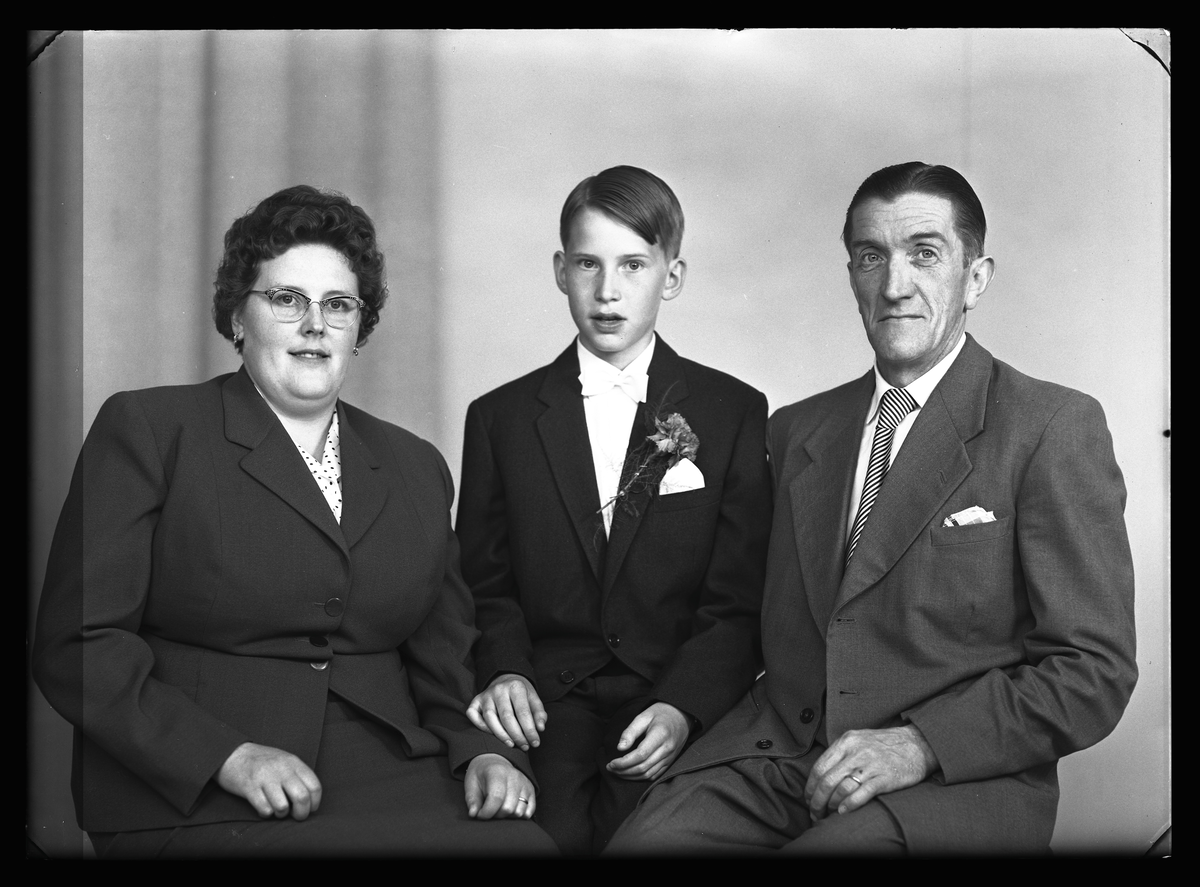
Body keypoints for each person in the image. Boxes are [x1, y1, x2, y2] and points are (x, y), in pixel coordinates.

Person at [607, 161, 1138, 855]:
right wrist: (681, 702)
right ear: (853, 276)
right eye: (870, 256)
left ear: (976, 278)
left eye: (925, 254)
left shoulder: (1049, 426)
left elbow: (1093, 669)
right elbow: (739, 614)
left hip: (950, 780)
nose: (894, 285)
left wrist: (919, 744)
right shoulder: (795, 430)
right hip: (782, 756)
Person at [32, 185, 557, 858]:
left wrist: (483, 751)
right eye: (287, 299)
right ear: (237, 317)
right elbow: (77, 642)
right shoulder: (151, 430)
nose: (315, 325)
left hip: (391, 768)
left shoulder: (415, 464)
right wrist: (227, 756)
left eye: (338, 305)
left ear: (359, 328)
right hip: (198, 784)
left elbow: (443, 652)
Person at [455, 165, 772, 854]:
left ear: (672, 276)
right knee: (539, 840)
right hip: (548, 701)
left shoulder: (734, 412)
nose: (607, 290)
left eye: (633, 264)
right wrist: (506, 670)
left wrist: (683, 706)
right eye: (587, 264)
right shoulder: (500, 419)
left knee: (651, 839)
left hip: (668, 691)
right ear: (560, 271)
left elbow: (737, 599)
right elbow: (483, 583)